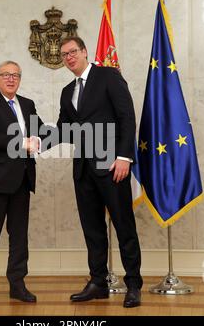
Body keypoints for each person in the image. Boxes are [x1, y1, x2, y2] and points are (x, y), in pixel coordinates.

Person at [57, 37, 143, 308]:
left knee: (123, 225)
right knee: (92, 228)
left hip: (112, 166)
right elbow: (63, 129)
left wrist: (124, 157)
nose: (69, 58)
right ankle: (98, 282)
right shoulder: (66, 91)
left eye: (73, 52)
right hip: (83, 169)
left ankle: (133, 284)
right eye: (64, 55)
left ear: (84, 52)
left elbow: (126, 116)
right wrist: (34, 140)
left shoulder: (108, 76)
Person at [0, 60, 43, 307]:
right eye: (5, 75)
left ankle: (17, 285)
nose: (11, 79)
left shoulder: (27, 104)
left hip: (21, 182)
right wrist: (23, 143)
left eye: (15, 75)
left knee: (19, 237)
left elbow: (40, 131)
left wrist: (69, 132)